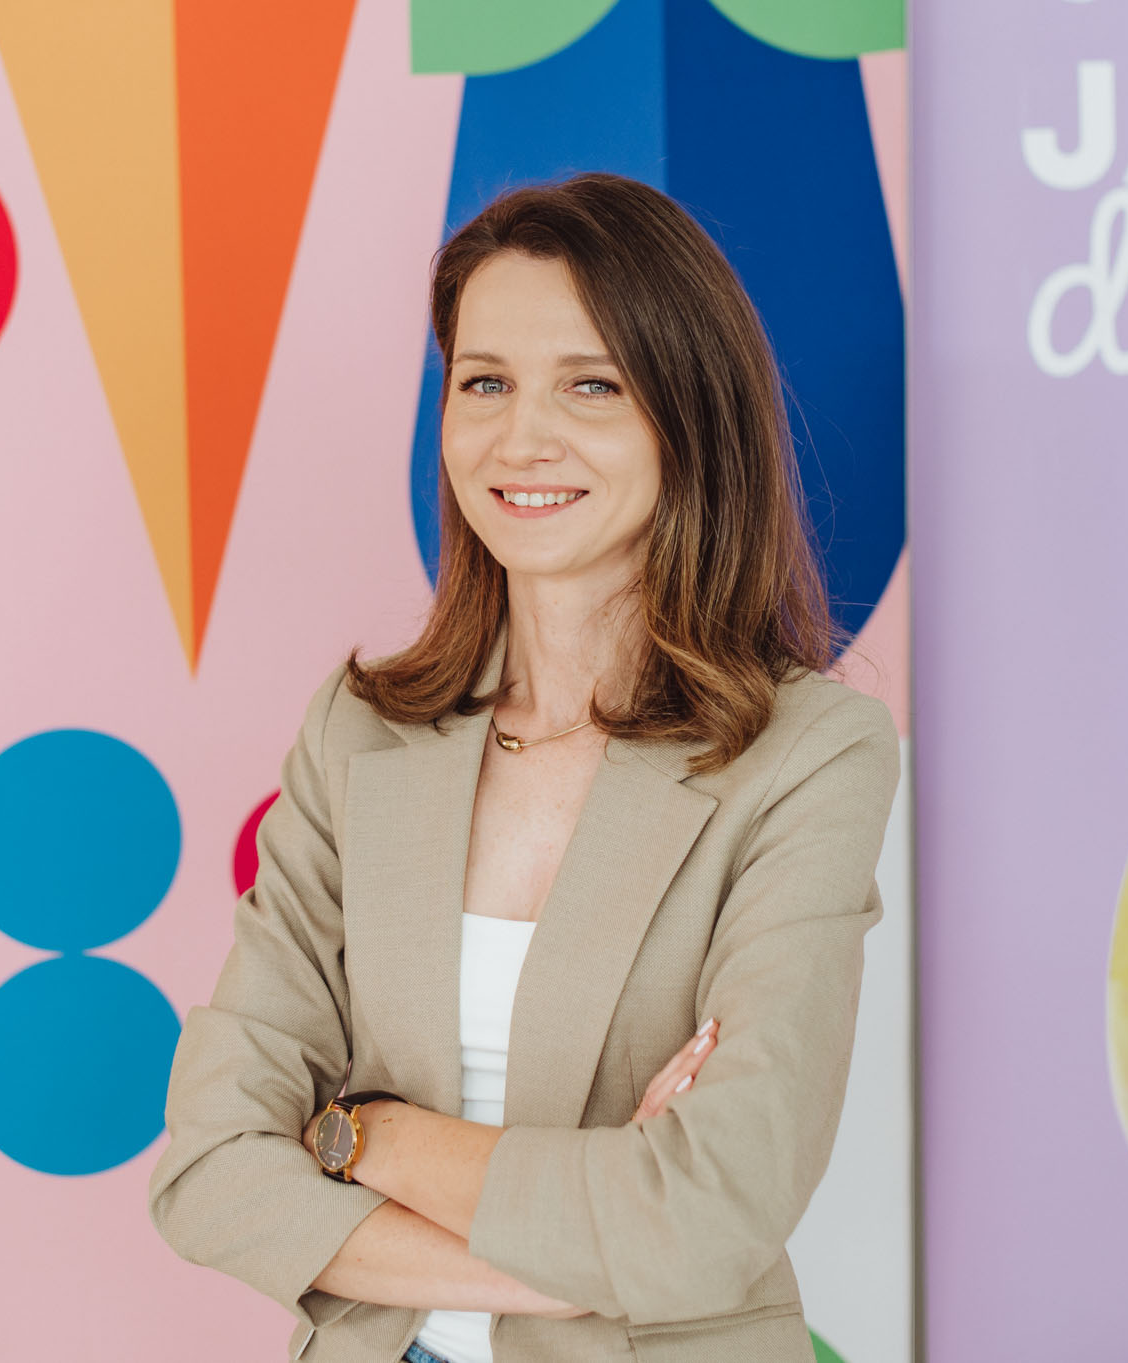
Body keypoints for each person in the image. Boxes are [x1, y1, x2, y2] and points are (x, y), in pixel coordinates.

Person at [146, 172, 900, 1363]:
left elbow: (709, 1213)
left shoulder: (806, 756)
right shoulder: (358, 735)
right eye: (483, 382)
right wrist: (579, 1261)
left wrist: (366, 1134)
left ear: (687, 418)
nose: (519, 438)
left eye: (590, 385)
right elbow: (208, 1170)